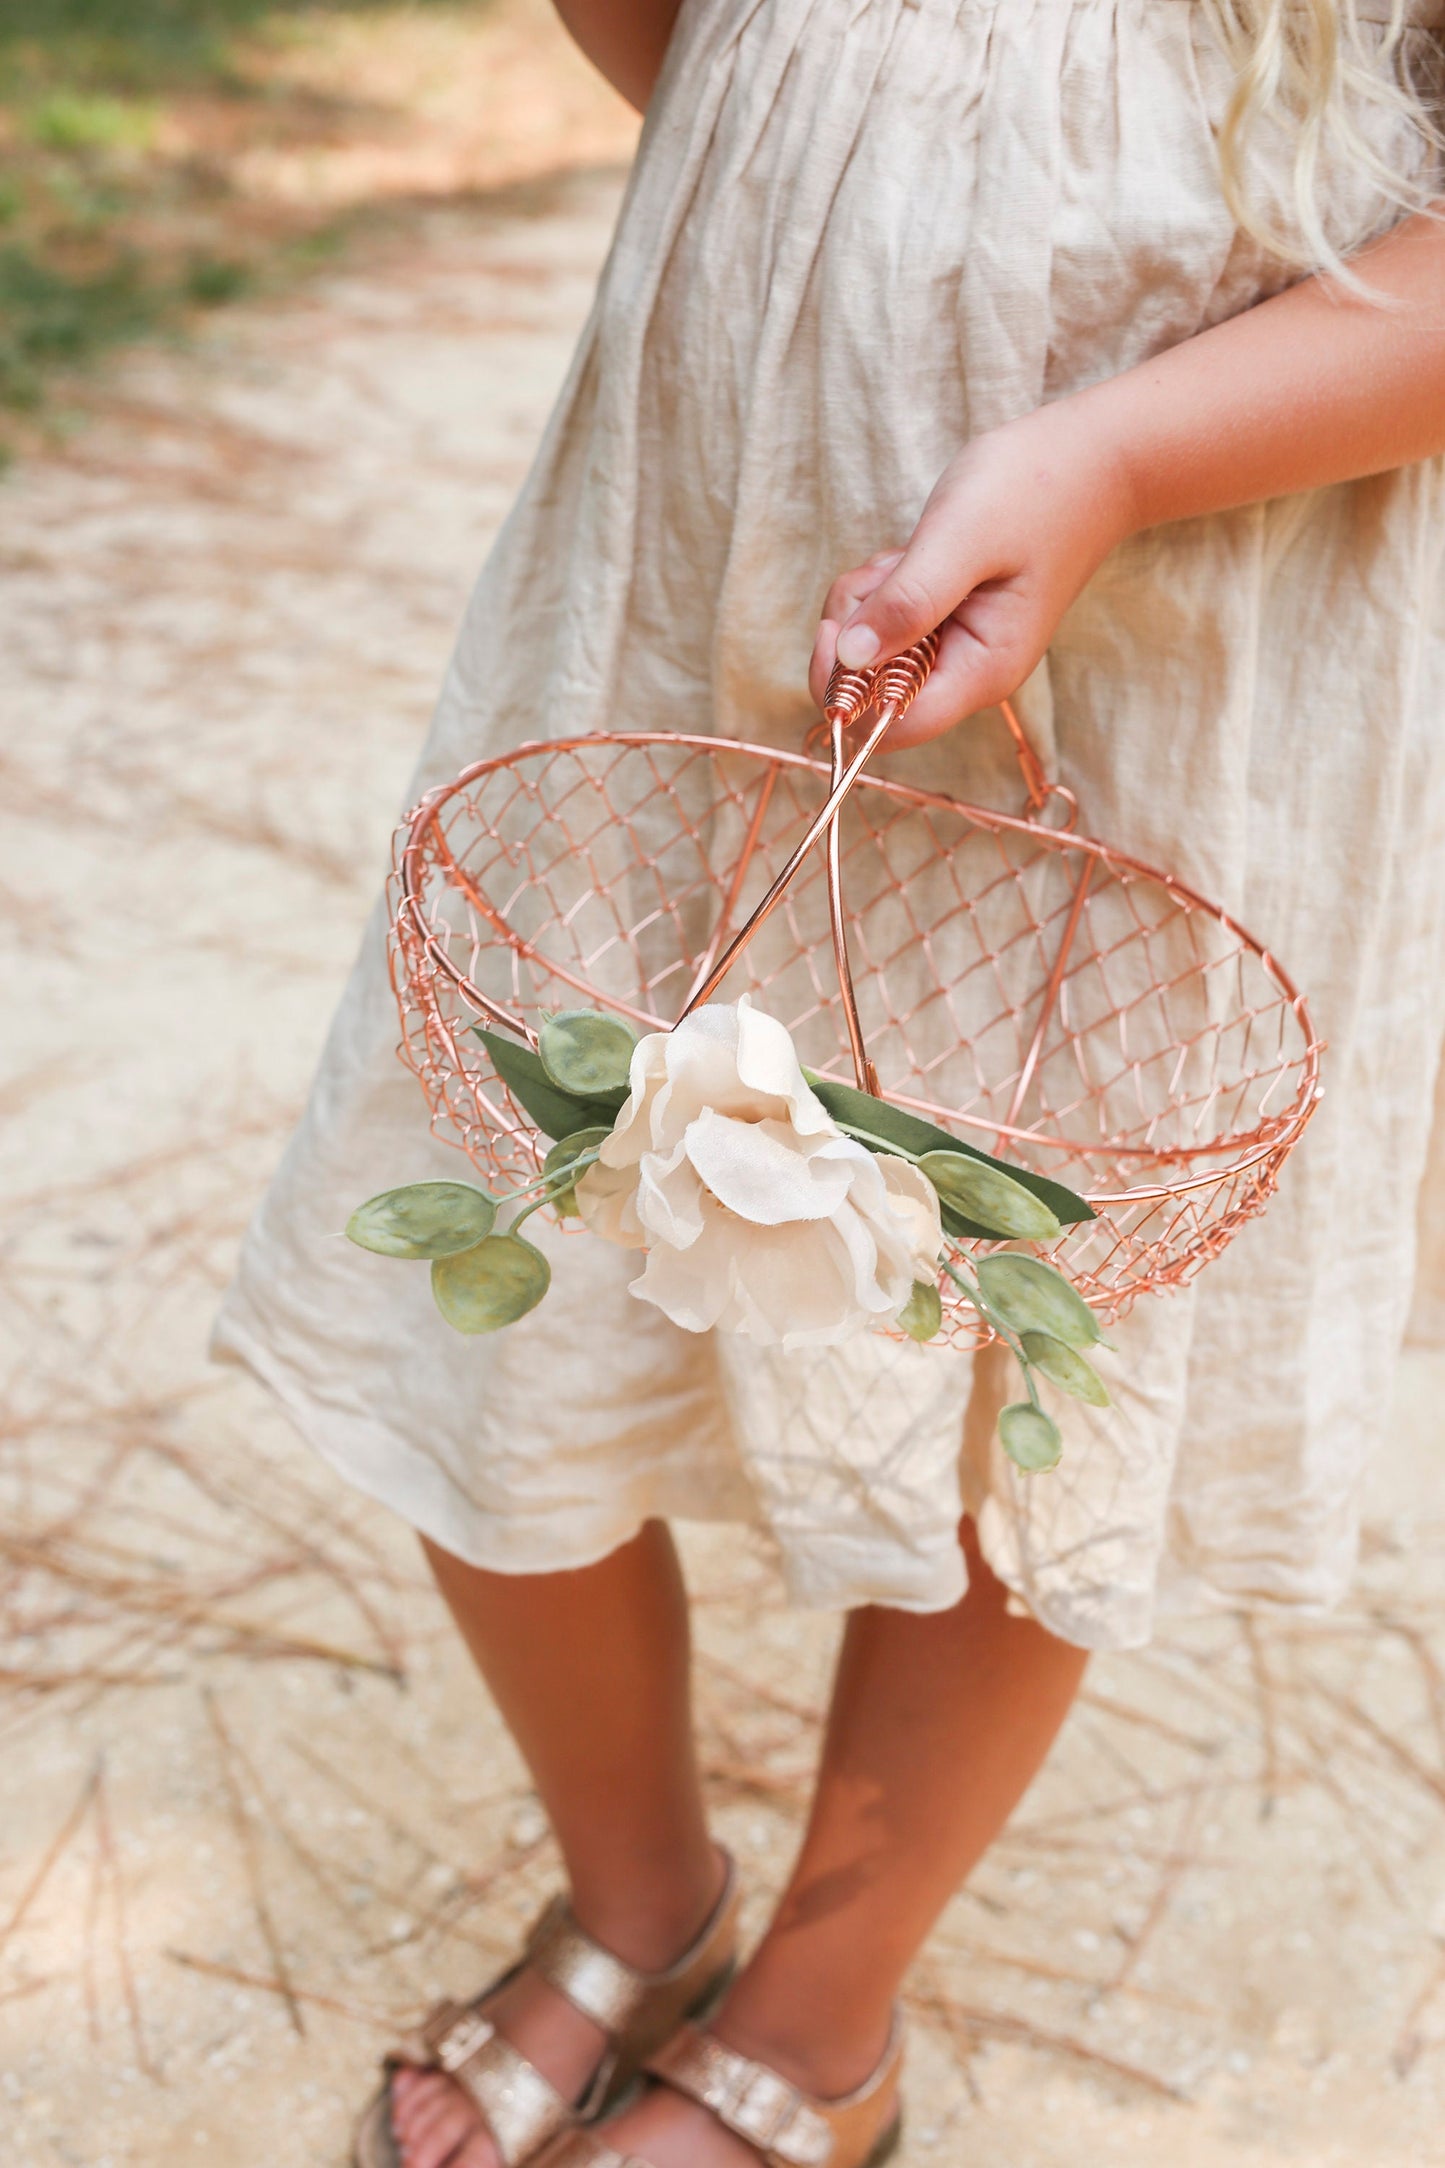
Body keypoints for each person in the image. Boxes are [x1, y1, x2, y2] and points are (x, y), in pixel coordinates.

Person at [212, 1, 1445, 2163]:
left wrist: (1109, 450)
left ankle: (815, 2015)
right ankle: (637, 1889)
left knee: (1020, 1300)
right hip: (709, 531)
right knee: (519, 1222)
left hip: (1193, 584)